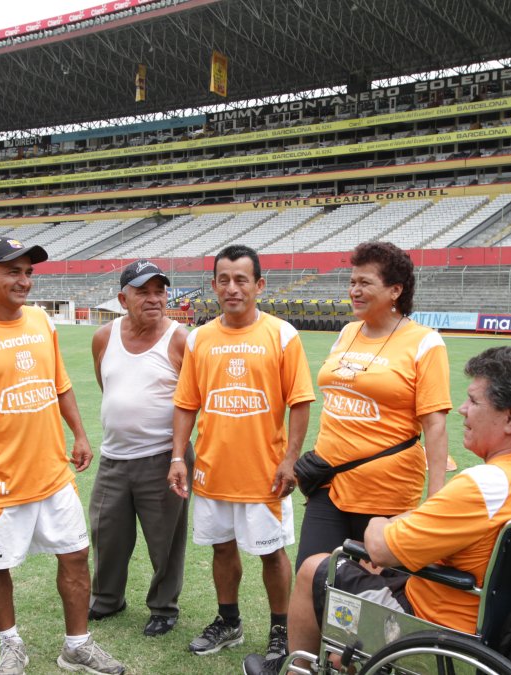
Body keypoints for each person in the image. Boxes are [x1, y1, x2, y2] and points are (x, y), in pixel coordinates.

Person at [248, 347, 511, 675]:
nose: (462, 409)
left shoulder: (486, 485)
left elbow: (381, 548)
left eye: (474, 401)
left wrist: (379, 522)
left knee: (316, 567)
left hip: (440, 624)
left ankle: (295, 671)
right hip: (509, 625)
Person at [0, 237, 126, 675]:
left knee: (76, 555)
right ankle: (11, 644)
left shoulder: (41, 321)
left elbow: (59, 384)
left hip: (53, 473)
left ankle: (77, 646)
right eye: (12, 272)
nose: (24, 281)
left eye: (28, 272)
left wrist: (78, 433)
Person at [168, 244, 315, 664]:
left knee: (271, 553)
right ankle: (228, 621)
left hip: (264, 473)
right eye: (224, 280)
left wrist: (291, 459)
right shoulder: (199, 338)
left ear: (259, 285)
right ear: (214, 286)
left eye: (241, 280)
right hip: (212, 471)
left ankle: (280, 631)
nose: (232, 288)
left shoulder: (282, 334)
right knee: (221, 548)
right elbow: (186, 404)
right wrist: (179, 456)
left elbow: (300, 401)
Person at [290, 241, 453, 572]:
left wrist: (435, 501)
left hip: (386, 495)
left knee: (369, 596)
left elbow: (434, 425)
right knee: (312, 578)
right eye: (352, 282)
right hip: (329, 485)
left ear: (395, 290)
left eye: (365, 283)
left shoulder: (425, 342)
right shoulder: (347, 332)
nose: (354, 290)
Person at [88, 259, 191, 638]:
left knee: (165, 540)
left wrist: (178, 455)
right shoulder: (104, 336)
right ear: (122, 297)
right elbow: (107, 385)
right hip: (114, 458)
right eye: (143, 291)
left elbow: (190, 401)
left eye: (159, 291)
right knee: (106, 533)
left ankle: (164, 607)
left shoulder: (180, 338)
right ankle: (107, 598)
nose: (154, 298)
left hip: (164, 457)